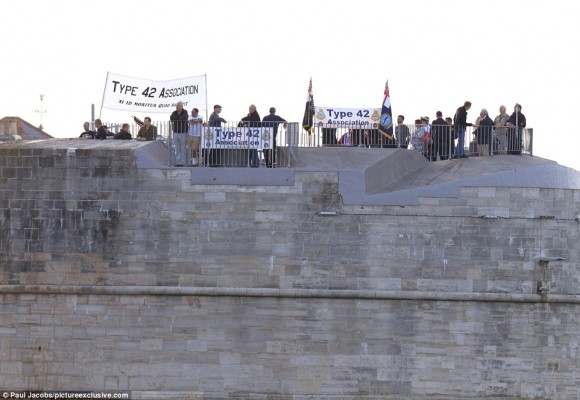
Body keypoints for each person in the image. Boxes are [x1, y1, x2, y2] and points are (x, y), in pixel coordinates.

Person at [170, 101, 189, 166]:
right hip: (175, 132)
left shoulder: (185, 112)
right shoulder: (174, 112)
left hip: (183, 132)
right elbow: (172, 118)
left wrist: (177, 118)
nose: (177, 107)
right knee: (177, 148)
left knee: (183, 147)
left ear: (182, 106)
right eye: (176, 106)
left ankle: (183, 161)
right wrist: (179, 118)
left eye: (178, 106)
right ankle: (178, 161)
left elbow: (184, 118)